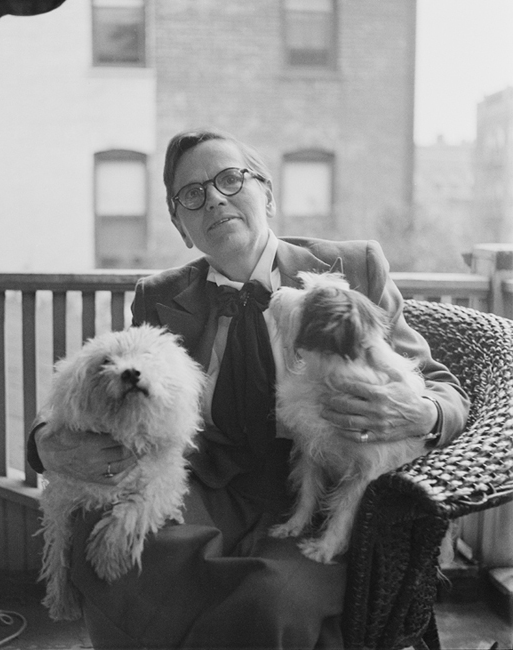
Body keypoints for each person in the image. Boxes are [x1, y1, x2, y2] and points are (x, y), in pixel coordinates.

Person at [28, 129, 470, 649]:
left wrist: (422, 415)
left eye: (230, 179)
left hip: (320, 491)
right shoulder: (159, 296)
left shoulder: (351, 268)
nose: (214, 197)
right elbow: (94, 381)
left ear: (268, 194)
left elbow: (441, 387)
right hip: (204, 488)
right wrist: (43, 442)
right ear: (182, 225)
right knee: (110, 552)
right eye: (192, 195)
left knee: (271, 600)